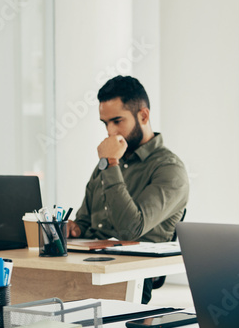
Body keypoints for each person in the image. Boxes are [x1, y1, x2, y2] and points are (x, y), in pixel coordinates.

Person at [67, 75, 189, 302]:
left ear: (143, 115)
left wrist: (110, 163)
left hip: (130, 274)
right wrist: (72, 228)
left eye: (117, 121)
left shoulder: (169, 169)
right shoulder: (109, 162)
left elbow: (132, 229)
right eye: (105, 123)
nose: (110, 132)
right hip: (88, 265)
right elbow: (85, 222)